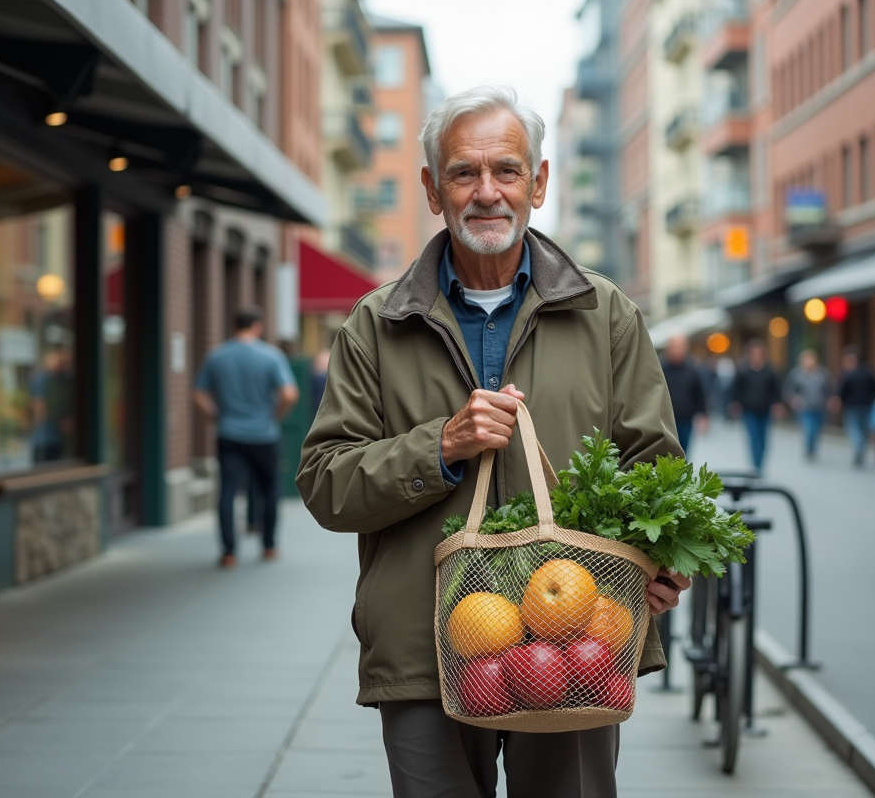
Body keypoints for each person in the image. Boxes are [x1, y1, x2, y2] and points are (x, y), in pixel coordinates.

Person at [296, 86, 691, 798]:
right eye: (463, 173)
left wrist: (654, 561)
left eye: (506, 170)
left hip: (575, 638)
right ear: (431, 188)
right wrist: (439, 447)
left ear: (538, 183)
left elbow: (654, 468)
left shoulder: (606, 316)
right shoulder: (374, 324)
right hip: (423, 646)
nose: (487, 192)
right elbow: (325, 483)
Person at [194, 308, 299, 567]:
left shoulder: (216, 356)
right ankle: (269, 546)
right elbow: (289, 394)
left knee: (227, 491)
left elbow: (198, 393)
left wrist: (215, 417)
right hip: (264, 434)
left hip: (228, 432)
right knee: (270, 488)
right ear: (258, 327)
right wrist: (275, 415)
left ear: (234, 326)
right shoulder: (271, 356)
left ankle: (229, 552)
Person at [729, 340, 783, 473]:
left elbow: (776, 390)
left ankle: (760, 463)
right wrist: (735, 403)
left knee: (763, 438)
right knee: (753, 437)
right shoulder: (743, 371)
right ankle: (756, 467)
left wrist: (777, 404)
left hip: (765, 410)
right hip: (749, 410)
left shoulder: (770, 371)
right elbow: (736, 389)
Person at [832, 346, 875, 467]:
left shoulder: (847, 374)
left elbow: (841, 391)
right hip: (867, 405)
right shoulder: (868, 371)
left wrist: (839, 401)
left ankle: (858, 445)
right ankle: (861, 446)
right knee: (863, 429)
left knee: (854, 428)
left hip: (852, 406)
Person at [660, 333, 707, 456]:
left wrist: (703, 415)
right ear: (668, 348)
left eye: (680, 346)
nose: (677, 350)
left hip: (686, 419)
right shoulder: (661, 368)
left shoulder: (692, 369)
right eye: (674, 346)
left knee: (684, 451)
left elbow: (700, 393)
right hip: (665, 421)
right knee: (668, 453)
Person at [783, 349, 831, 461]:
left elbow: (829, 389)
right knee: (809, 429)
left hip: (819, 406)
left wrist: (830, 400)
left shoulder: (822, 374)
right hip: (804, 408)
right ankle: (809, 449)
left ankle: (813, 447)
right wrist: (793, 400)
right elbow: (788, 390)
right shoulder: (796, 374)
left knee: (817, 430)